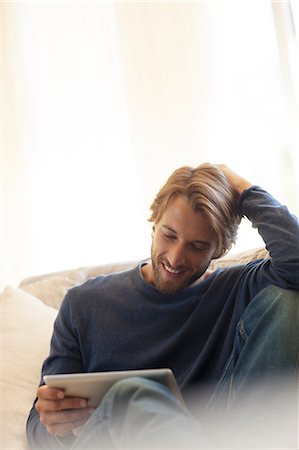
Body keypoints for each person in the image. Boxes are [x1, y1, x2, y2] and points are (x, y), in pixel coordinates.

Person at [26, 163, 299, 449]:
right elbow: (37, 431)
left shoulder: (237, 288)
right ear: (155, 222)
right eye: (169, 235)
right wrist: (57, 426)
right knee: (133, 396)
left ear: (219, 249)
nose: (176, 258)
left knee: (286, 301)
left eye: (196, 246)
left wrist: (243, 189)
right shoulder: (84, 303)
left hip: (214, 436)